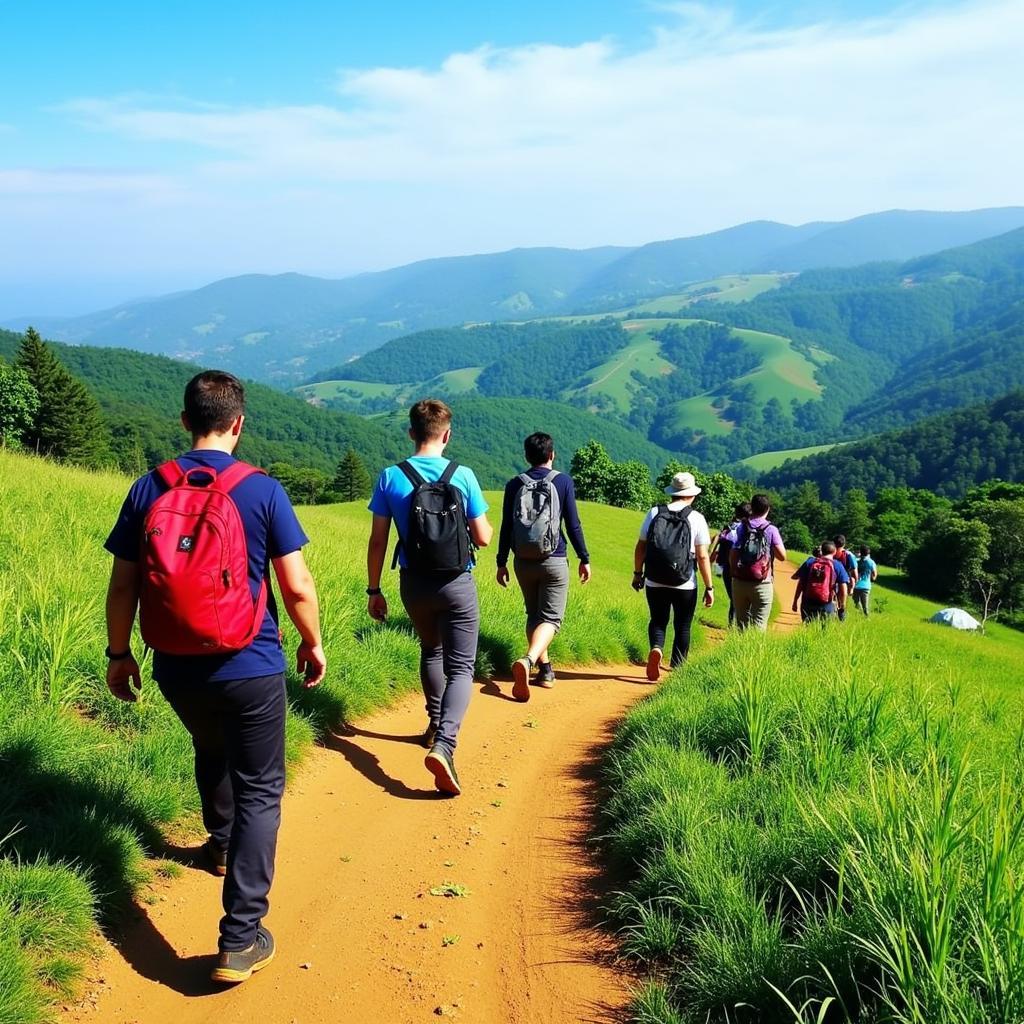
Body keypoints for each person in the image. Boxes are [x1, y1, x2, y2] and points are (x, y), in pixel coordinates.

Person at [104, 370, 326, 985]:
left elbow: (123, 583)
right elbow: (296, 584)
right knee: (260, 787)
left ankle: (220, 841)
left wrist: (118, 653)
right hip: (250, 664)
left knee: (210, 744)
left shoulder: (148, 487)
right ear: (238, 424)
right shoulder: (261, 490)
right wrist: (313, 644)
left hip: (175, 663)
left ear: (184, 422)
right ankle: (239, 937)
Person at [366, 399, 493, 797]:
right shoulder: (464, 475)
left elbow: (378, 540)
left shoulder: (390, 477)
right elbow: (485, 537)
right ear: (447, 434)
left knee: (430, 650)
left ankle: (435, 723)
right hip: (457, 583)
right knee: (462, 668)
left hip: (413, 584)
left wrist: (374, 589)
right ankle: (446, 744)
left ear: (411, 432)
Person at [497, 433, 591, 701]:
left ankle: (546, 671)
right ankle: (528, 660)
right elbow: (572, 524)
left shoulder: (514, 484)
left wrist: (501, 561)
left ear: (527, 456)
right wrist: (584, 557)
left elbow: (507, 526)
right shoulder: (562, 481)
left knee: (534, 614)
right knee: (551, 619)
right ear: (552, 455)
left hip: (523, 561)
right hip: (554, 558)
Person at [632, 471, 714, 680]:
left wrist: (637, 573)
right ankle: (677, 671)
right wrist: (709, 587)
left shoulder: (653, 513)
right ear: (692, 495)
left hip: (654, 578)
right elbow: (703, 557)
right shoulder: (697, 518)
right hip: (684, 582)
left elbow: (641, 546)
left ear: (673, 492)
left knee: (658, 621)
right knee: (683, 625)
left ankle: (657, 648)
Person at [728, 494, 786, 631]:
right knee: (758, 627)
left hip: (739, 582)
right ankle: (754, 652)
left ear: (751, 507)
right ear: (768, 509)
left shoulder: (741, 527)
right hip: (762, 582)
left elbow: (733, 552)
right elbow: (782, 556)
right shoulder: (771, 529)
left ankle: (738, 652)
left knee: (741, 625)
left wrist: (733, 572)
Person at [708, 502, 751, 627]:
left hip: (727, 567)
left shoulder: (728, 528)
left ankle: (732, 624)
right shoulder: (748, 529)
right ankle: (739, 626)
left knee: (733, 598)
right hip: (743, 568)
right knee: (741, 599)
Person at [791, 540, 850, 622]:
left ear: (821, 550)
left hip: (807, 602)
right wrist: (842, 606)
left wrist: (795, 601)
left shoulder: (810, 562)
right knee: (824, 631)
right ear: (834, 552)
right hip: (827, 604)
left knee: (808, 628)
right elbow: (843, 589)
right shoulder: (837, 565)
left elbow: (801, 583)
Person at [832, 534, 859, 621]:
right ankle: (841, 612)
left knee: (832, 597)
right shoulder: (848, 554)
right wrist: (854, 582)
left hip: (831, 578)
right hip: (844, 580)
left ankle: (831, 613)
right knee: (842, 598)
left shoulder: (830, 551)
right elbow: (854, 571)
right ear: (844, 544)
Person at [852, 544, 878, 616]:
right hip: (866, 586)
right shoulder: (871, 562)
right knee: (865, 606)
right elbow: (874, 575)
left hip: (856, 585)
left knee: (856, 602)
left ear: (861, 552)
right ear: (868, 553)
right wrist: (872, 578)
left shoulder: (856, 562)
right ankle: (866, 617)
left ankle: (860, 614)